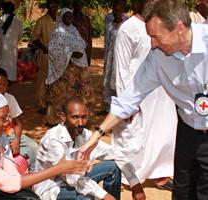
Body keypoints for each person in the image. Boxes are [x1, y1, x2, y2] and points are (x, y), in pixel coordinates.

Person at [78, 0, 208, 199]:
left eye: (156, 37)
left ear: (179, 29)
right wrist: (97, 134)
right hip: (187, 131)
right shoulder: (158, 57)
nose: (153, 44)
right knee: (182, 191)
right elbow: (129, 99)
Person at [0, 87, 89, 200]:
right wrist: (58, 168)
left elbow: (13, 176)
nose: (7, 123)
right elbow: (9, 184)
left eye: (8, 118)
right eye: (3, 118)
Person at [111, 0, 177, 190]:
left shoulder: (161, 23)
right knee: (135, 136)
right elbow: (122, 68)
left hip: (162, 91)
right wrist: (126, 102)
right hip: (137, 92)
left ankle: (161, 175)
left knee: (165, 132)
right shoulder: (128, 28)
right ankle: (130, 178)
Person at [34, 97, 146, 200]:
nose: (81, 122)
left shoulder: (84, 134)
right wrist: (105, 196)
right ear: (63, 116)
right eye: (75, 117)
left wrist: (135, 184)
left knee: (113, 167)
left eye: (84, 117)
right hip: (53, 187)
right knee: (88, 197)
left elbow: (114, 153)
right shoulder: (53, 139)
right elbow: (70, 177)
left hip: (77, 179)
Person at [45, 8, 94, 125]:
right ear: (62, 18)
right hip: (65, 70)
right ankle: (58, 119)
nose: (69, 19)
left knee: (79, 93)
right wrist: (71, 54)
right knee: (63, 95)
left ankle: (79, 119)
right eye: (67, 16)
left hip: (78, 69)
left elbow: (82, 44)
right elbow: (53, 51)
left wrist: (82, 52)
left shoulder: (74, 31)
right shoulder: (57, 32)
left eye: (71, 17)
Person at [0, 67, 39, 172]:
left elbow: (18, 123)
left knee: (33, 147)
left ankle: (34, 177)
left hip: (8, 133)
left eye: (4, 84)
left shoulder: (9, 98)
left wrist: (16, 139)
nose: (1, 87)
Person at [99, 0, 127, 115]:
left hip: (120, 57)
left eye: (119, 10)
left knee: (118, 80)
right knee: (107, 80)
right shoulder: (109, 19)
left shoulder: (126, 22)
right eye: (115, 10)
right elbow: (107, 37)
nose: (116, 12)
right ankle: (106, 106)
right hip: (109, 56)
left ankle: (117, 108)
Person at [32, 0, 58, 115]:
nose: (54, 6)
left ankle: (53, 103)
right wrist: (44, 48)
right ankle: (42, 104)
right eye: (52, 4)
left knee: (56, 80)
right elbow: (35, 37)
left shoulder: (60, 21)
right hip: (46, 55)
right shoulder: (41, 21)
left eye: (56, 4)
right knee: (43, 81)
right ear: (48, 6)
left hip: (58, 57)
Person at [0, 2, 22, 82]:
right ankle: (9, 80)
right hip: (12, 48)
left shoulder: (1, 19)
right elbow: (20, 35)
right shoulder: (18, 20)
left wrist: (1, 38)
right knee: (10, 65)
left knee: (1, 64)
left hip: (1, 47)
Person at [72, 0, 92, 65]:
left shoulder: (86, 19)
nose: (78, 6)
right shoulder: (68, 18)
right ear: (73, 6)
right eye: (77, 4)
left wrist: (89, 55)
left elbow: (89, 37)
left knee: (83, 74)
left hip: (84, 52)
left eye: (80, 4)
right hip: (72, 53)